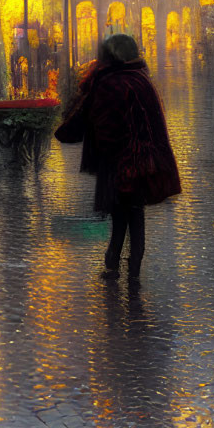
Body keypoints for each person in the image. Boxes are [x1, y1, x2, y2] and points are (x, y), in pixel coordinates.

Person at [56, 34, 181, 283]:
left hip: (118, 163)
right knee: (134, 216)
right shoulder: (141, 81)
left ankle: (114, 265)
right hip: (143, 162)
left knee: (121, 215)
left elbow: (92, 123)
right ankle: (132, 271)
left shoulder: (108, 84)